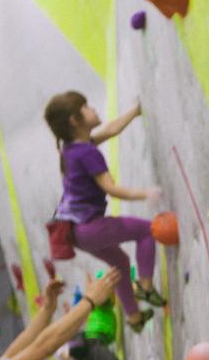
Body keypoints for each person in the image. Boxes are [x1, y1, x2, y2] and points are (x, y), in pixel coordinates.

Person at [44, 91, 166, 333]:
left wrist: (135, 110)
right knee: (146, 231)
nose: (94, 109)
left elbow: (110, 130)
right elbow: (110, 188)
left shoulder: (71, 149)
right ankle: (145, 286)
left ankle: (134, 318)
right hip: (89, 228)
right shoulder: (87, 153)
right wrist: (146, 193)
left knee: (120, 262)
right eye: (86, 107)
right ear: (74, 120)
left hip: (75, 233)